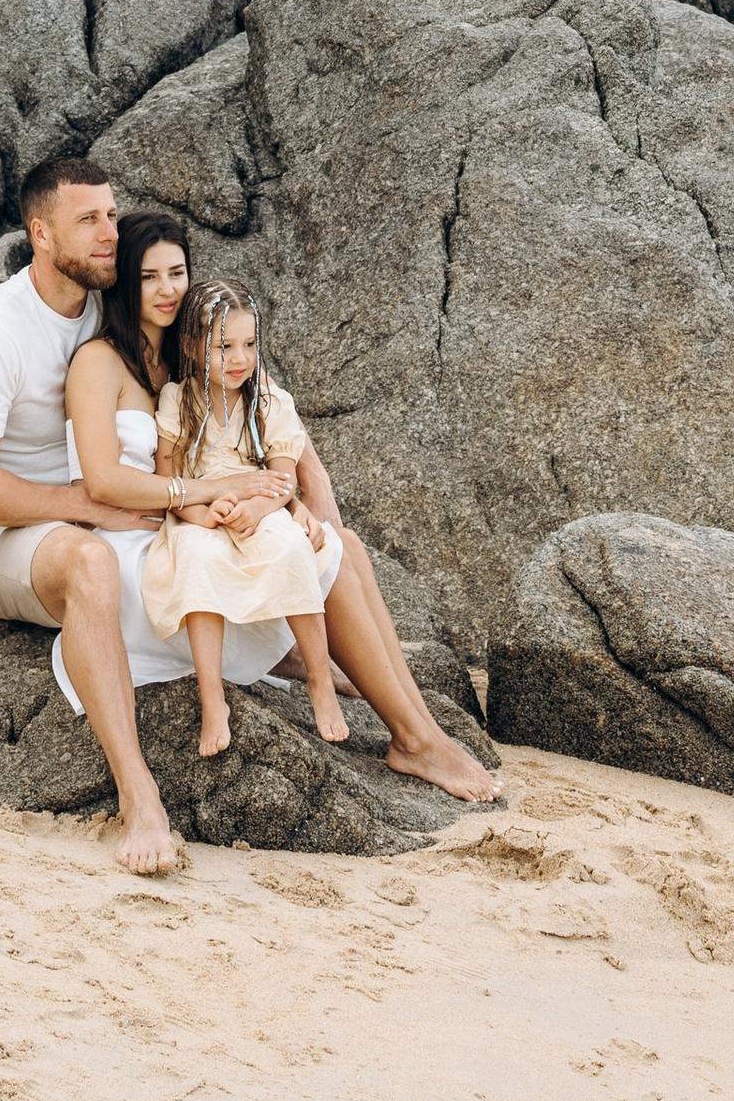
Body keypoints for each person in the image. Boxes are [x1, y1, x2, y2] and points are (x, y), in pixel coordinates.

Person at [63, 209, 502, 807]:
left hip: (216, 521)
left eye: (178, 273)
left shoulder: (207, 354)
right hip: (147, 545)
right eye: (148, 277)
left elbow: (287, 450)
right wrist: (219, 493)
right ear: (123, 284)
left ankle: (418, 727)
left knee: (343, 549)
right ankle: (410, 734)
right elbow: (104, 483)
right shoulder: (101, 361)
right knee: (327, 559)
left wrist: (303, 509)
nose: (168, 290)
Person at [0, 154, 259, 877]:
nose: (110, 233)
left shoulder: (101, 311)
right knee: (92, 561)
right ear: (40, 233)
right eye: (89, 221)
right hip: (2, 541)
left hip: (102, 510)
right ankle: (139, 796)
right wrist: (82, 507)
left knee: (224, 553)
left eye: (111, 214)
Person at [145, 276, 344, 756]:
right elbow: (166, 475)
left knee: (290, 546)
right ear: (192, 347)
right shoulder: (178, 400)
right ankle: (212, 697)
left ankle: (320, 679)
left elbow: (283, 479)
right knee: (196, 560)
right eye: (224, 346)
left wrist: (255, 510)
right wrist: (203, 514)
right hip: (197, 510)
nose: (240, 359)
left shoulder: (268, 401)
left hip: (260, 504)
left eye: (250, 344)